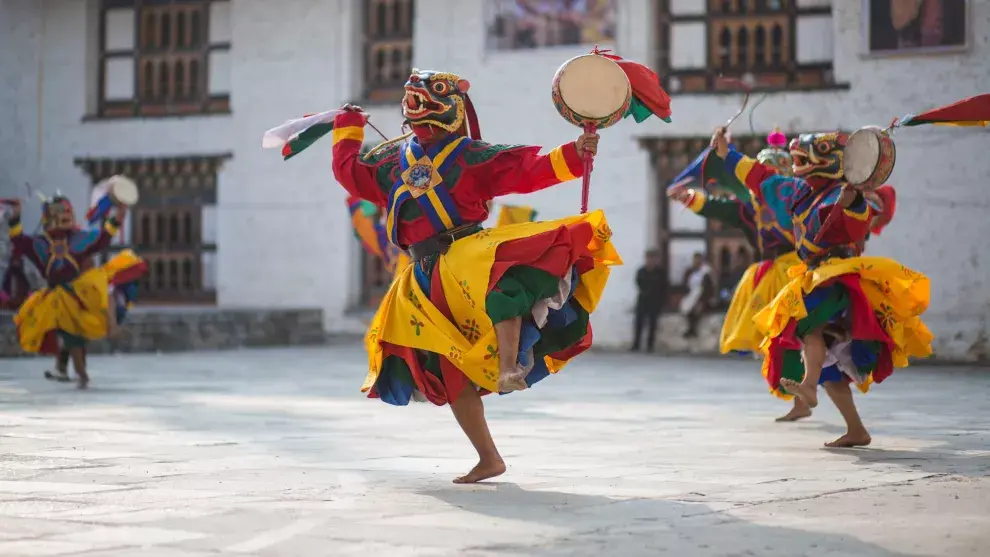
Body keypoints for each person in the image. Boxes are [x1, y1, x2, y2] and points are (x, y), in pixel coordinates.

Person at [328, 68, 628, 483]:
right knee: (450, 374)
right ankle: (490, 458)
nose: (419, 104)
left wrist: (576, 152)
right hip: (421, 276)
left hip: (465, 250)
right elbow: (350, 174)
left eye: (429, 96)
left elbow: (526, 169)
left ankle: (509, 366)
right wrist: (347, 129)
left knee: (501, 284)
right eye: (413, 97)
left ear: (452, 108)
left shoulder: (471, 156)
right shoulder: (391, 162)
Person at [711, 126, 932, 447]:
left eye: (808, 154)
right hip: (812, 273)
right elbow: (760, 177)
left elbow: (858, 225)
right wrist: (726, 155)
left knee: (807, 325)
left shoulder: (846, 194)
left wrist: (853, 202)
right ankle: (855, 428)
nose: (798, 157)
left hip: (837, 276)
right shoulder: (799, 190)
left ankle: (808, 386)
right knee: (831, 367)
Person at [667, 125, 812, 422]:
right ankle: (797, 396)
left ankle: (806, 391)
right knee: (777, 340)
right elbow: (719, 208)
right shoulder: (750, 207)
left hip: (796, 272)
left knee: (799, 336)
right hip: (769, 276)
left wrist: (726, 154)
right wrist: (688, 197)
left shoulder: (795, 198)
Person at [5, 193, 146, 389]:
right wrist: (15, 215)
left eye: (66, 213)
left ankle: (80, 372)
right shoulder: (40, 243)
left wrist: (118, 216)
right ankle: (71, 371)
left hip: (79, 293)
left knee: (77, 335)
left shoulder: (78, 238)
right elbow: (18, 240)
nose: (64, 217)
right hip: (57, 299)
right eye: (59, 213)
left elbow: (102, 239)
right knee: (69, 337)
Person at [631, 249, 665, 352]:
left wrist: (661, 300)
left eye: (653, 258)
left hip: (655, 301)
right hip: (643, 300)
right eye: (648, 258)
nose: (650, 261)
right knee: (639, 323)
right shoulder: (641, 271)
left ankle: (650, 345)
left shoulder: (660, 272)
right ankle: (636, 344)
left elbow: (663, 287)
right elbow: (639, 283)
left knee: (652, 324)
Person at [680, 252, 713, 338]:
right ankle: (690, 329)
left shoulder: (705, 273)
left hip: (701, 297)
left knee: (696, 309)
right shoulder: (689, 272)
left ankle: (693, 329)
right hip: (691, 295)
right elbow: (685, 285)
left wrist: (703, 301)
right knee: (686, 307)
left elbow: (708, 288)